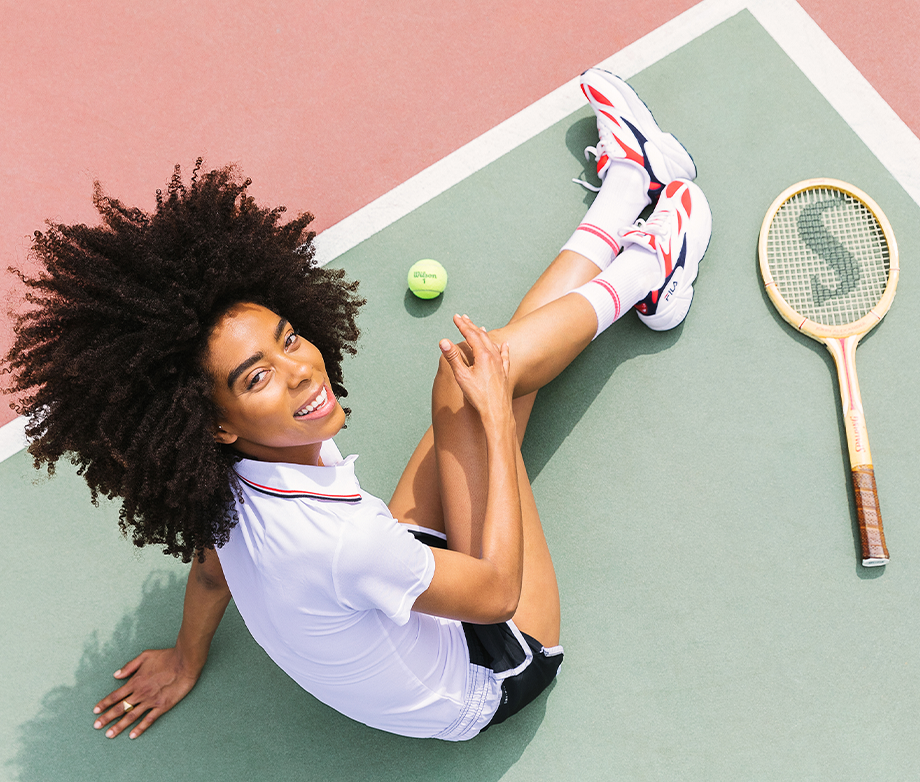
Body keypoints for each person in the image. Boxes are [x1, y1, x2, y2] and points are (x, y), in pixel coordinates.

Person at [5, 68, 712, 741]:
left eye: (287, 338)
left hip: (403, 589)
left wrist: (188, 658)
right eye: (256, 378)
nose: (300, 370)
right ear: (215, 421)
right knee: (480, 390)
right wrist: (498, 424)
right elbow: (496, 595)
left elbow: (214, 569)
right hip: (497, 662)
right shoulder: (344, 544)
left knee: (474, 371)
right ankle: (656, 257)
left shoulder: (218, 486)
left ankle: (625, 193)